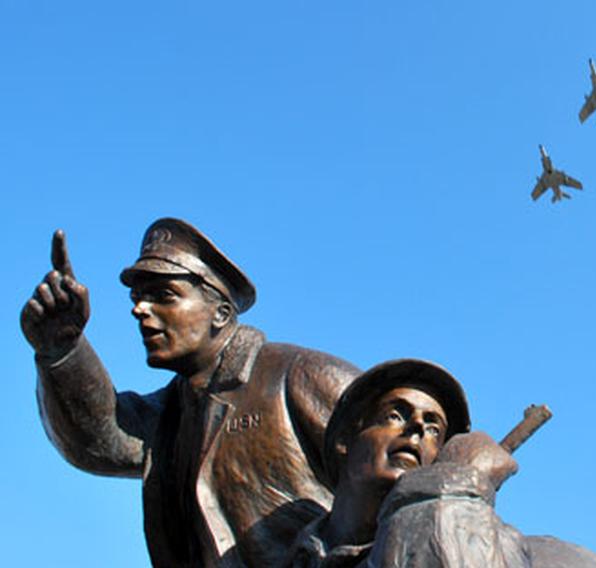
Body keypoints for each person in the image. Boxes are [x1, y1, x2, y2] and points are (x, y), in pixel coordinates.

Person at [22, 218, 361, 567]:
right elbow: (100, 439)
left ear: (221, 313)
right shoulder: (171, 411)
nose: (140, 309)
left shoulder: (299, 376)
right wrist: (62, 348)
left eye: (163, 296)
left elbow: (409, 470)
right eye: (138, 298)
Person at [286, 359, 596, 568]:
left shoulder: (526, 553)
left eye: (433, 429)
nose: (416, 428)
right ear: (345, 439)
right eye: (396, 414)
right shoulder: (284, 555)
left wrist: (456, 485)